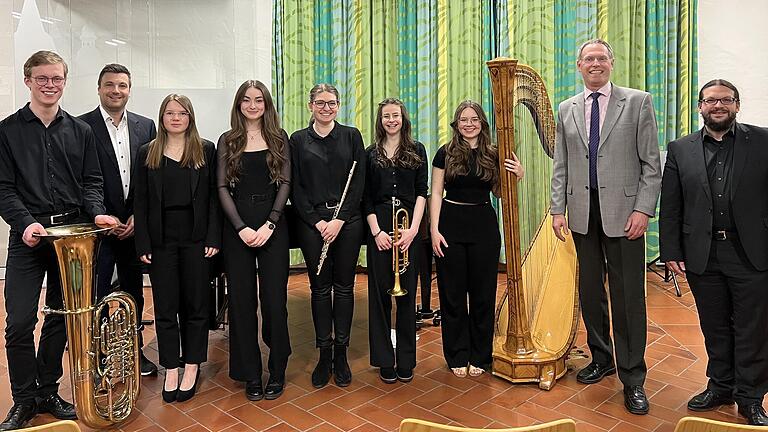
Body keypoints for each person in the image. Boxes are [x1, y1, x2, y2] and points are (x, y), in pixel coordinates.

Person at [0, 50, 118, 430]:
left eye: (56, 79)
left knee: (61, 318)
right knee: (19, 321)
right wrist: (25, 224)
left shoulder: (81, 131)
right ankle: (24, 398)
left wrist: (97, 210)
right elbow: (3, 189)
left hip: (71, 236)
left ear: (64, 82)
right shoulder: (7, 131)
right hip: (29, 236)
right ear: (28, 81)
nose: (50, 85)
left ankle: (48, 389)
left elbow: (91, 182)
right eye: (42, 78)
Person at [550, 38, 661, 415]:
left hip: (625, 214)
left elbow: (651, 164)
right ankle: (601, 357)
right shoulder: (566, 108)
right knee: (590, 291)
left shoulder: (638, 102)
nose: (595, 64)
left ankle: (633, 378)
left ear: (611, 64)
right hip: (582, 214)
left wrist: (644, 210)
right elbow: (561, 164)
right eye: (588, 59)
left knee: (629, 296)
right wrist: (557, 209)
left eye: (601, 58)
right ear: (578, 66)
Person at [659, 79, 768, 426]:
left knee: (753, 328)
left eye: (725, 100)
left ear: (737, 105)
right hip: (702, 253)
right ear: (699, 107)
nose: (717, 106)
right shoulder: (680, 148)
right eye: (710, 101)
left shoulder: (764, 141)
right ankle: (720, 385)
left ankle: (750, 396)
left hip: (752, 251)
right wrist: (671, 250)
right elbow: (671, 206)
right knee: (715, 325)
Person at [134, 94, 221, 403]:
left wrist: (213, 238)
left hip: (197, 239)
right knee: (166, 305)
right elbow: (140, 201)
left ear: (190, 118)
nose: (175, 118)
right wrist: (142, 242)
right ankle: (171, 365)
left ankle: (192, 365)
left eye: (181, 113)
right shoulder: (148, 152)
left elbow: (213, 198)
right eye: (170, 113)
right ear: (162, 117)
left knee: (197, 305)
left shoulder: (205, 149)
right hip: (161, 240)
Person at [430, 100, 523, 379]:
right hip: (450, 226)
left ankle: (480, 355)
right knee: (452, 295)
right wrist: (434, 230)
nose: (468, 124)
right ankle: (457, 353)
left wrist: (518, 175)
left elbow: (502, 195)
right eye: (463, 120)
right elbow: (435, 193)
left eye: (474, 119)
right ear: (456, 125)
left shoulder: (495, 154)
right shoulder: (444, 153)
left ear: (482, 123)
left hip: (484, 227)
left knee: (483, 295)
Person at [78, 63, 158, 377]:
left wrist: (139, 216)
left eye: (122, 85)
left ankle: (133, 352)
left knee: (134, 293)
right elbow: (83, 180)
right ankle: (98, 359)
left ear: (129, 89)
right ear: (99, 89)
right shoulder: (81, 126)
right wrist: (100, 216)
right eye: (110, 85)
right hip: (98, 226)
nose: (116, 91)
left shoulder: (146, 126)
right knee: (96, 295)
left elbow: (150, 179)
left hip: (133, 227)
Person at [217, 80, 291, 401]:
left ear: (266, 105)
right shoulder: (228, 140)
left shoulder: (279, 138)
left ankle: (277, 368)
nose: (252, 105)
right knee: (243, 303)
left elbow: (286, 183)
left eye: (258, 100)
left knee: (274, 302)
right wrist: (241, 228)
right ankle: (251, 373)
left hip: (273, 226)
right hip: (238, 229)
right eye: (246, 100)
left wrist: (270, 223)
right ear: (239, 104)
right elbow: (221, 187)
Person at [290, 83, 365, 388]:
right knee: (320, 289)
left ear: (338, 105)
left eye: (331, 103)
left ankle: (341, 354)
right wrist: (319, 222)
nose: (326, 108)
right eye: (320, 103)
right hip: (312, 224)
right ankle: (323, 353)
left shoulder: (351, 135)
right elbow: (295, 186)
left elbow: (359, 183)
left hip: (347, 222)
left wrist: (339, 220)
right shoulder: (297, 140)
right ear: (310, 106)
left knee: (345, 288)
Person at [364, 98, 428, 384]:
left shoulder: (417, 150)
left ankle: (406, 359)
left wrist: (414, 230)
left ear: (404, 119)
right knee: (379, 297)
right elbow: (364, 197)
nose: (391, 120)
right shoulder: (369, 153)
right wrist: (376, 232)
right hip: (379, 224)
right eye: (386, 116)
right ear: (380, 120)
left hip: (408, 226)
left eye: (396, 115)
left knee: (406, 296)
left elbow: (421, 192)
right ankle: (383, 360)